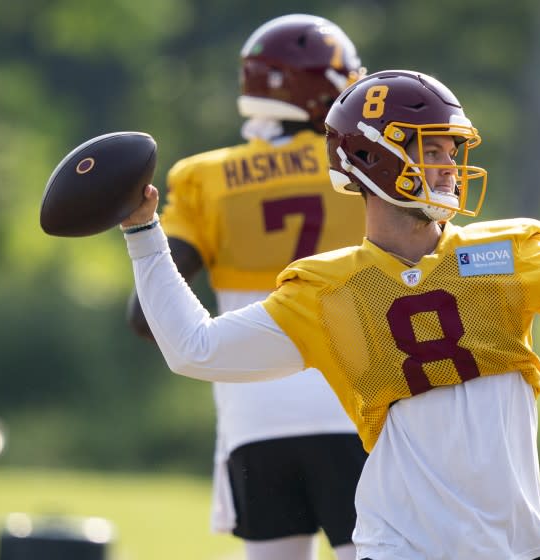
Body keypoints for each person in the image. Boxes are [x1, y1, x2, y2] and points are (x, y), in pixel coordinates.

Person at [121, 68, 540, 559]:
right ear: (374, 156)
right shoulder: (325, 289)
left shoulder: (507, 252)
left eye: (453, 150)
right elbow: (194, 348)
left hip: (519, 546)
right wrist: (144, 233)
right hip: (402, 548)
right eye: (435, 149)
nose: (451, 166)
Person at [125, 14, 368, 560]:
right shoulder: (360, 166)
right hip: (357, 408)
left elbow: (146, 316)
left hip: (253, 415)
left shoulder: (203, 178)